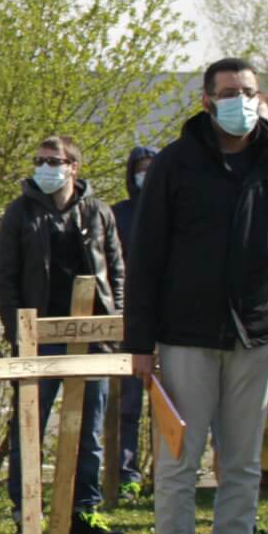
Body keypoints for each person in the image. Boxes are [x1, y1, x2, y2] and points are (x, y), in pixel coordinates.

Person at [123, 59, 268, 534]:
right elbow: (145, 257)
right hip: (184, 335)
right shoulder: (175, 163)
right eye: (230, 92)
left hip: (259, 336)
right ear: (207, 100)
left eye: (249, 92)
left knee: (240, 464)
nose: (241, 101)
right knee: (178, 462)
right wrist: (141, 343)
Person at [0, 134, 125, 534]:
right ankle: (25, 512)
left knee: (90, 428)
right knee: (29, 426)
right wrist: (18, 329)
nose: (45, 166)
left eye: (54, 160)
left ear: (73, 167)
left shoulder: (98, 213)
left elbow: (117, 271)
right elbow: (4, 275)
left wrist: (116, 322)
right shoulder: (19, 213)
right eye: (40, 160)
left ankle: (85, 511)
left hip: (92, 336)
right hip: (39, 337)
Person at [109, 145, 158, 502]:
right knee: (127, 407)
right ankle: (127, 474)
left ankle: (166, 473)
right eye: (140, 168)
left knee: (169, 406)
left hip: (169, 322)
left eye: (151, 168)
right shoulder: (118, 215)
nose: (146, 174)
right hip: (128, 321)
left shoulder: (173, 211)